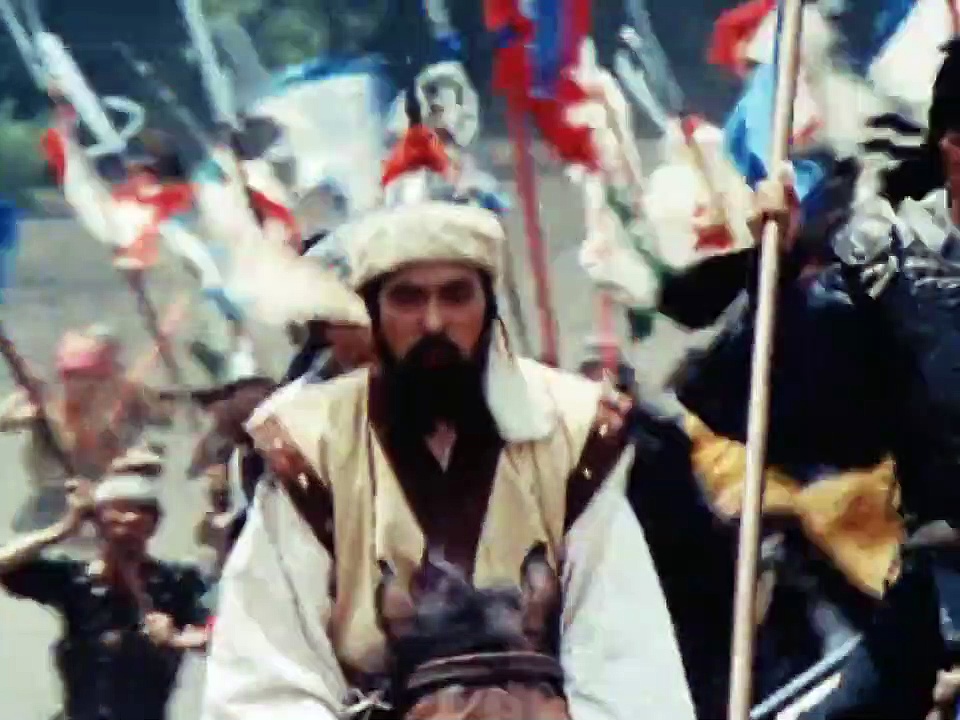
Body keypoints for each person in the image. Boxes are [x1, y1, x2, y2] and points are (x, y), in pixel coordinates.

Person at [201, 151, 695, 718]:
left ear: (488, 306)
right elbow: (268, 676)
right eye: (408, 298)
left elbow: (623, 659)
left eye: (457, 295)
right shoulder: (311, 442)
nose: (434, 322)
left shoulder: (572, 429)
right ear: (373, 311)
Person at [0, 474, 210, 720]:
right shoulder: (75, 580)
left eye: (138, 511)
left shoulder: (176, 582)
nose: (126, 520)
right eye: (115, 511)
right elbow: (6, 566)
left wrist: (176, 638)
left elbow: (219, 633)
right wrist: (64, 528)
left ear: (153, 524)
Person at [0, 325, 174, 527]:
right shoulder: (43, 402)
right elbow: (5, 420)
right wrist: (28, 413)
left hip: (104, 504)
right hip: (49, 506)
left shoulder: (124, 401)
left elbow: (166, 418)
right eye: (73, 377)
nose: (82, 387)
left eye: (94, 380)